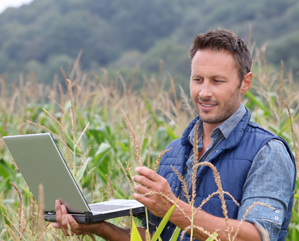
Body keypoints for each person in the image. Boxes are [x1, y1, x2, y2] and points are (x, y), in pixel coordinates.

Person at [53, 29, 296, 241]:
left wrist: (172, 207)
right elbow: (157, 237)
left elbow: (256, 237)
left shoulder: (267, 152)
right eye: (197, 79)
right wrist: (100, 228)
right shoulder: (174, 151)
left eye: (217, 81)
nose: (204, 92)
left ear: (245, 83)